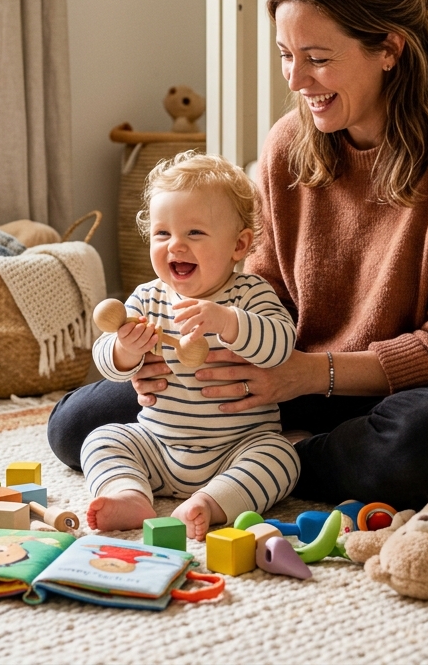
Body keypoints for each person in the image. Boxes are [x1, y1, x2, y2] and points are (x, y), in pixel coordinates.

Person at [52, 0, 428, 511]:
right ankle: (257, 462)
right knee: (77, 422)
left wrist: (304, 376)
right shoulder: (290, 144)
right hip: (297, 377)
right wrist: (170, 352)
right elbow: (255, 293)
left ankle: (269, 463)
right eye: (287, 55)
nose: (294, 79)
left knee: (424, 445)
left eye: (317, 58)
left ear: (389, 48)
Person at [81, 151, 299, 538]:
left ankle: (213, 502)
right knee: (102, 439)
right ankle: (128, 493)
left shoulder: (250, 294)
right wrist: (125, 350)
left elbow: (280, 345)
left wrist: (228, 322)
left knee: (281, 457)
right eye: (163, 234)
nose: (175, 246)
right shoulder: (148, 297)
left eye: (194, 233)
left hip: (237, 446)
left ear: (239, 246)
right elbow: (105, 359)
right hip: (157, 445)